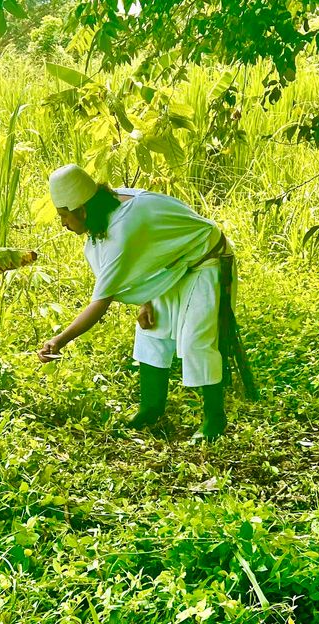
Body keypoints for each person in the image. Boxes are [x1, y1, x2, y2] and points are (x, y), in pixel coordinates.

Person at [37, 164, 232, 441]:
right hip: (173, 264)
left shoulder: (123, 229)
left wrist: (59, 340)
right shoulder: (111, 204)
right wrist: (147, 298)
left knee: (195, 341)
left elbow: (100, 302)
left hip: (206, 259)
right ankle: (150, 409)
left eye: (65, 216)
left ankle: (215, 419)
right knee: (152, 329)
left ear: (82, 211)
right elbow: (151, 250)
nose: (63, 224)